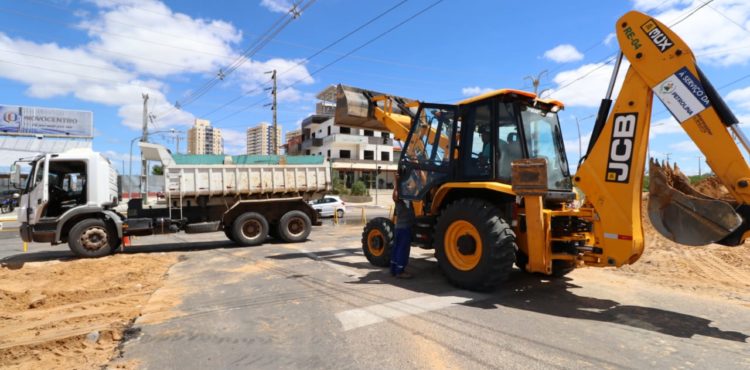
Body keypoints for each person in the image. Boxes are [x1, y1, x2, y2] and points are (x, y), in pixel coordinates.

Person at [390, 184, 415, 279]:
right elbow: (394, 196)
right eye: (407, 187)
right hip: (404, 228)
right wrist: (396, 183)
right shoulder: (400, 199)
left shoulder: (407, 199)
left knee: (397, 248)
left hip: (399, 228)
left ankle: (393, 269)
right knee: (402, 249)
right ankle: (400, 271)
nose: (409, 188)